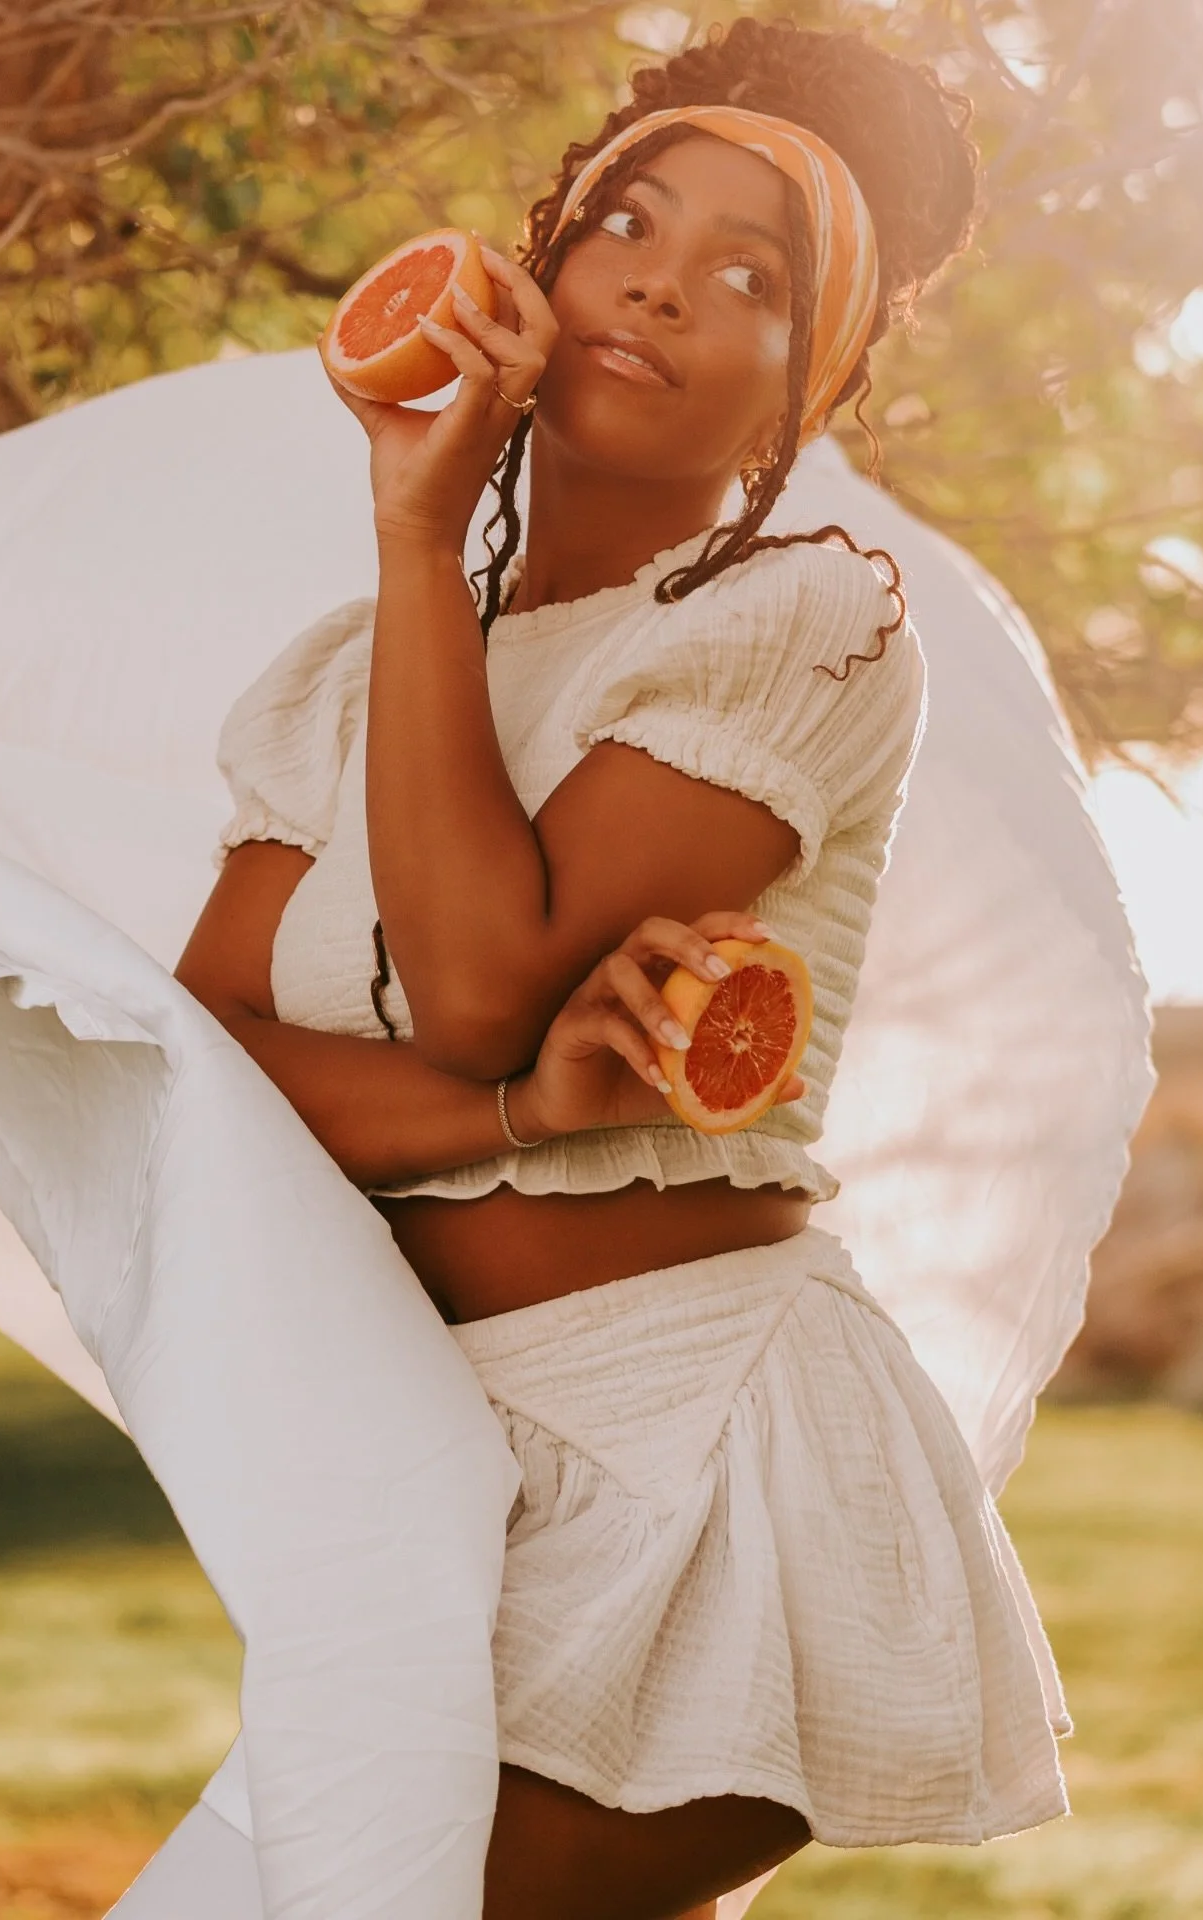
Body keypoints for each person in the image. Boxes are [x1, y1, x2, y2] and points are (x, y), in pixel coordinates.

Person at [171, 18, 1069, 1919]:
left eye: (750, 277)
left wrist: (426, 530)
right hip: (429, 1480)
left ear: (796, 389)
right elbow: (199, 1074)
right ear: (544, 265)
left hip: (712, 1483)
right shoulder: (348, 675)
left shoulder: (803, 622)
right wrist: (501, 1114)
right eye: (628, 225)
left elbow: (481, 971)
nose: (662, 278)